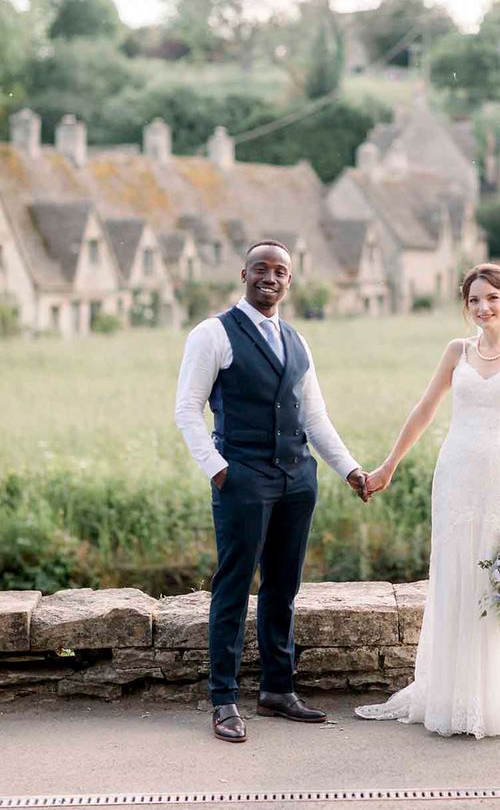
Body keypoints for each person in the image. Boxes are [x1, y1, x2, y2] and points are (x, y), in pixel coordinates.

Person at [356, 262, 500, 738]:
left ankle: (497, 693)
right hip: (456, 477)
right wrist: (387, 466)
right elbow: (424, 410)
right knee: (456, 577)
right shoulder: (457, 352)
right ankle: (450, 691)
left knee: (495, 580)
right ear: (466, 308)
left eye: (492, 298)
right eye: (473, 301)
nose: (483, 308)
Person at [175, 240, 370, 743]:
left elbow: (314, 417)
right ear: (244, 273)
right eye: (261, 268)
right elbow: (187, 409)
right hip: (242, 477)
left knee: (283, 587)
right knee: (234, 587)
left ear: (290, 281)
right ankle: (223, 699)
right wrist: (219, 470)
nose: (271, 277)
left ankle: (277, 691)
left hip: (297, 479)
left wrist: (349, 470)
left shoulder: (297, 339)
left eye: (280, 271)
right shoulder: (213, 332)